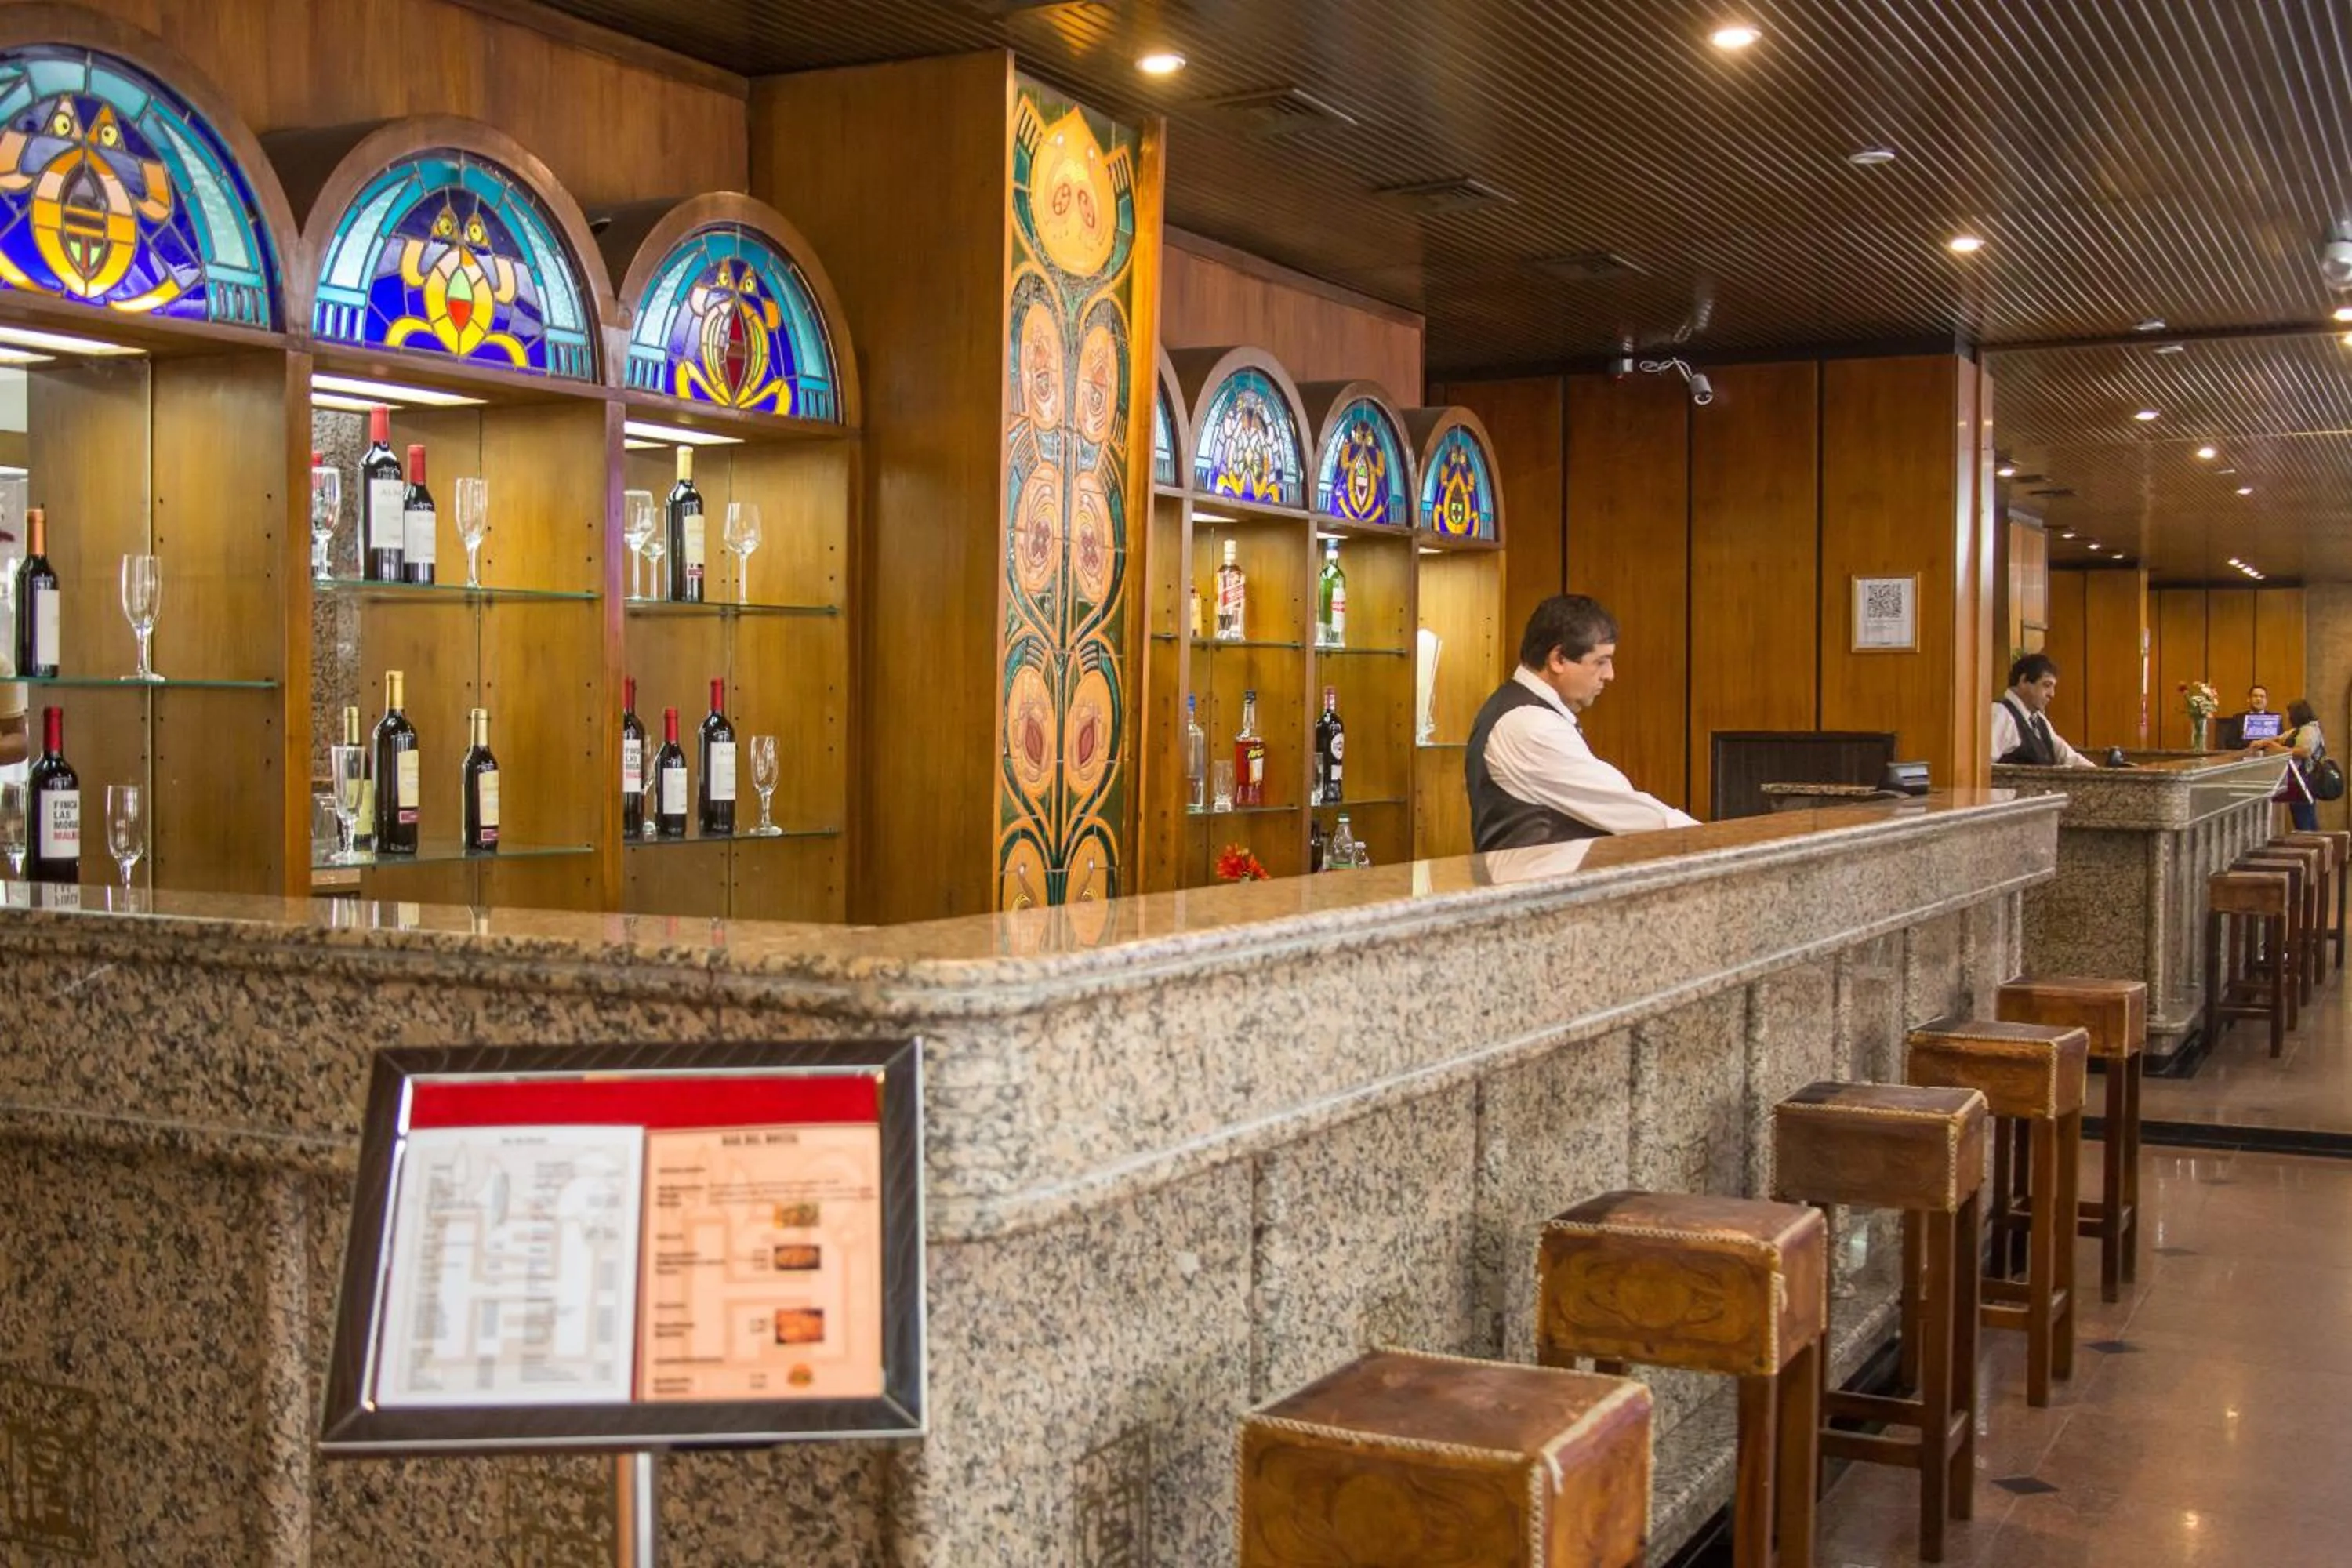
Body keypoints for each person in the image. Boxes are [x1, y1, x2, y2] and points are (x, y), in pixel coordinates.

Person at [1465, 593, 1699, 849]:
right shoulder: (1529, 725)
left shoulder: (1522, 710)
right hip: (1538, 886)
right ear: (1558, 659)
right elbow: (1622, 808)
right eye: (1600, 662)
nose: (1609, 675)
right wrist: (1715, 840)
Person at [1991, 653, 2096, 768]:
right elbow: (1982, 768)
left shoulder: (2039, 720)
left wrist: (2098, 773)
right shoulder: (2000, 714)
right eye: (2046, 685)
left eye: (2053, 687)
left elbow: (2066, 756)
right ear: (2023, 681)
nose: (2052, 694)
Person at [2249, 698, 2325, 832]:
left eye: (2289, 713)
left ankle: (2310, 845)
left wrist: (2277, 748)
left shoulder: (2309, 730)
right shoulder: (2299, 729)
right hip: (2298, 780)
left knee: (2305, 819)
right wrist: (2264, 742)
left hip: (2305, 779)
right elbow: (2281, 737)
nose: (2287, 716)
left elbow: (2304, 752)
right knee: (2302, 815)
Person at [2221, 684, 2281, 750]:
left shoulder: (2275, 719)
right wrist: (2250, 745)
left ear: (2266, 701)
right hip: (2245, 756)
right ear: (2248, 699)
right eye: (2255, 696)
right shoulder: (2238, 719)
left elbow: (2282, 740)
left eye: (2262, 696)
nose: (2259, 699)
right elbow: (2230, 743)